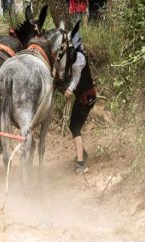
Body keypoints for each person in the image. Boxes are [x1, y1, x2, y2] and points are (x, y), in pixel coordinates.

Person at [63, 31, 96, 174]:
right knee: (73, 126)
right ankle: (83, 153)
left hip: (85, 97)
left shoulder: (79, 58)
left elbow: (75, 79)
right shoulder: (77, 55)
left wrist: (69, 89)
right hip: (85, 96)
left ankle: (81, 163)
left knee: (75, 127)